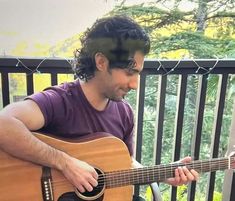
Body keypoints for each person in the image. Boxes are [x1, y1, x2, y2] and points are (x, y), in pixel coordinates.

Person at [0, 15, 198, 201]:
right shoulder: (60, 101)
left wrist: (163, 174)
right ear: (101, 62)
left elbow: (124, 162)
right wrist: (65, 163)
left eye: (138, 74)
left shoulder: (124, 112)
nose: (135, 84)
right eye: (130, 72)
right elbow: (4, 124)